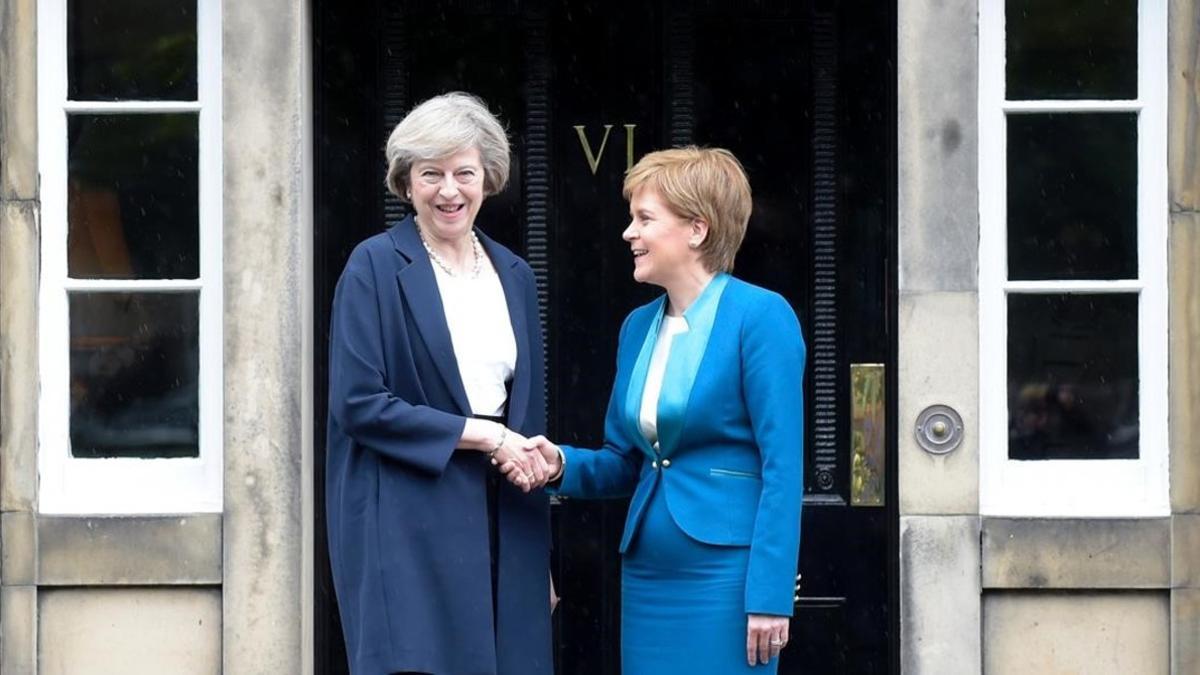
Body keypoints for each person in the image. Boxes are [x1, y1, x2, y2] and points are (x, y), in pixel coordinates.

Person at [526, 146, 806, 673]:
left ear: (696, 230)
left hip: (728, 575)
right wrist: (559, 465)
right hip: (649, 572)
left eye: (644, 219)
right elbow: (626, 460)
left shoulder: (761, 317)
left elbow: (783, 468)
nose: (629, 233)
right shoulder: (636, 328)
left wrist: (770, 596)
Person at [325, 92, 553, 675]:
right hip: (406, 519)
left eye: (464, 173)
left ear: (488, 180)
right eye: (431, 174)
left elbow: (523, 417)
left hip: (505, 520)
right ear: (406, 184)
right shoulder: (372, 266)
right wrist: (484, 436)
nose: (449, 190)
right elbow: (358, 404)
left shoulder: (516, 275)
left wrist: (537, 551)